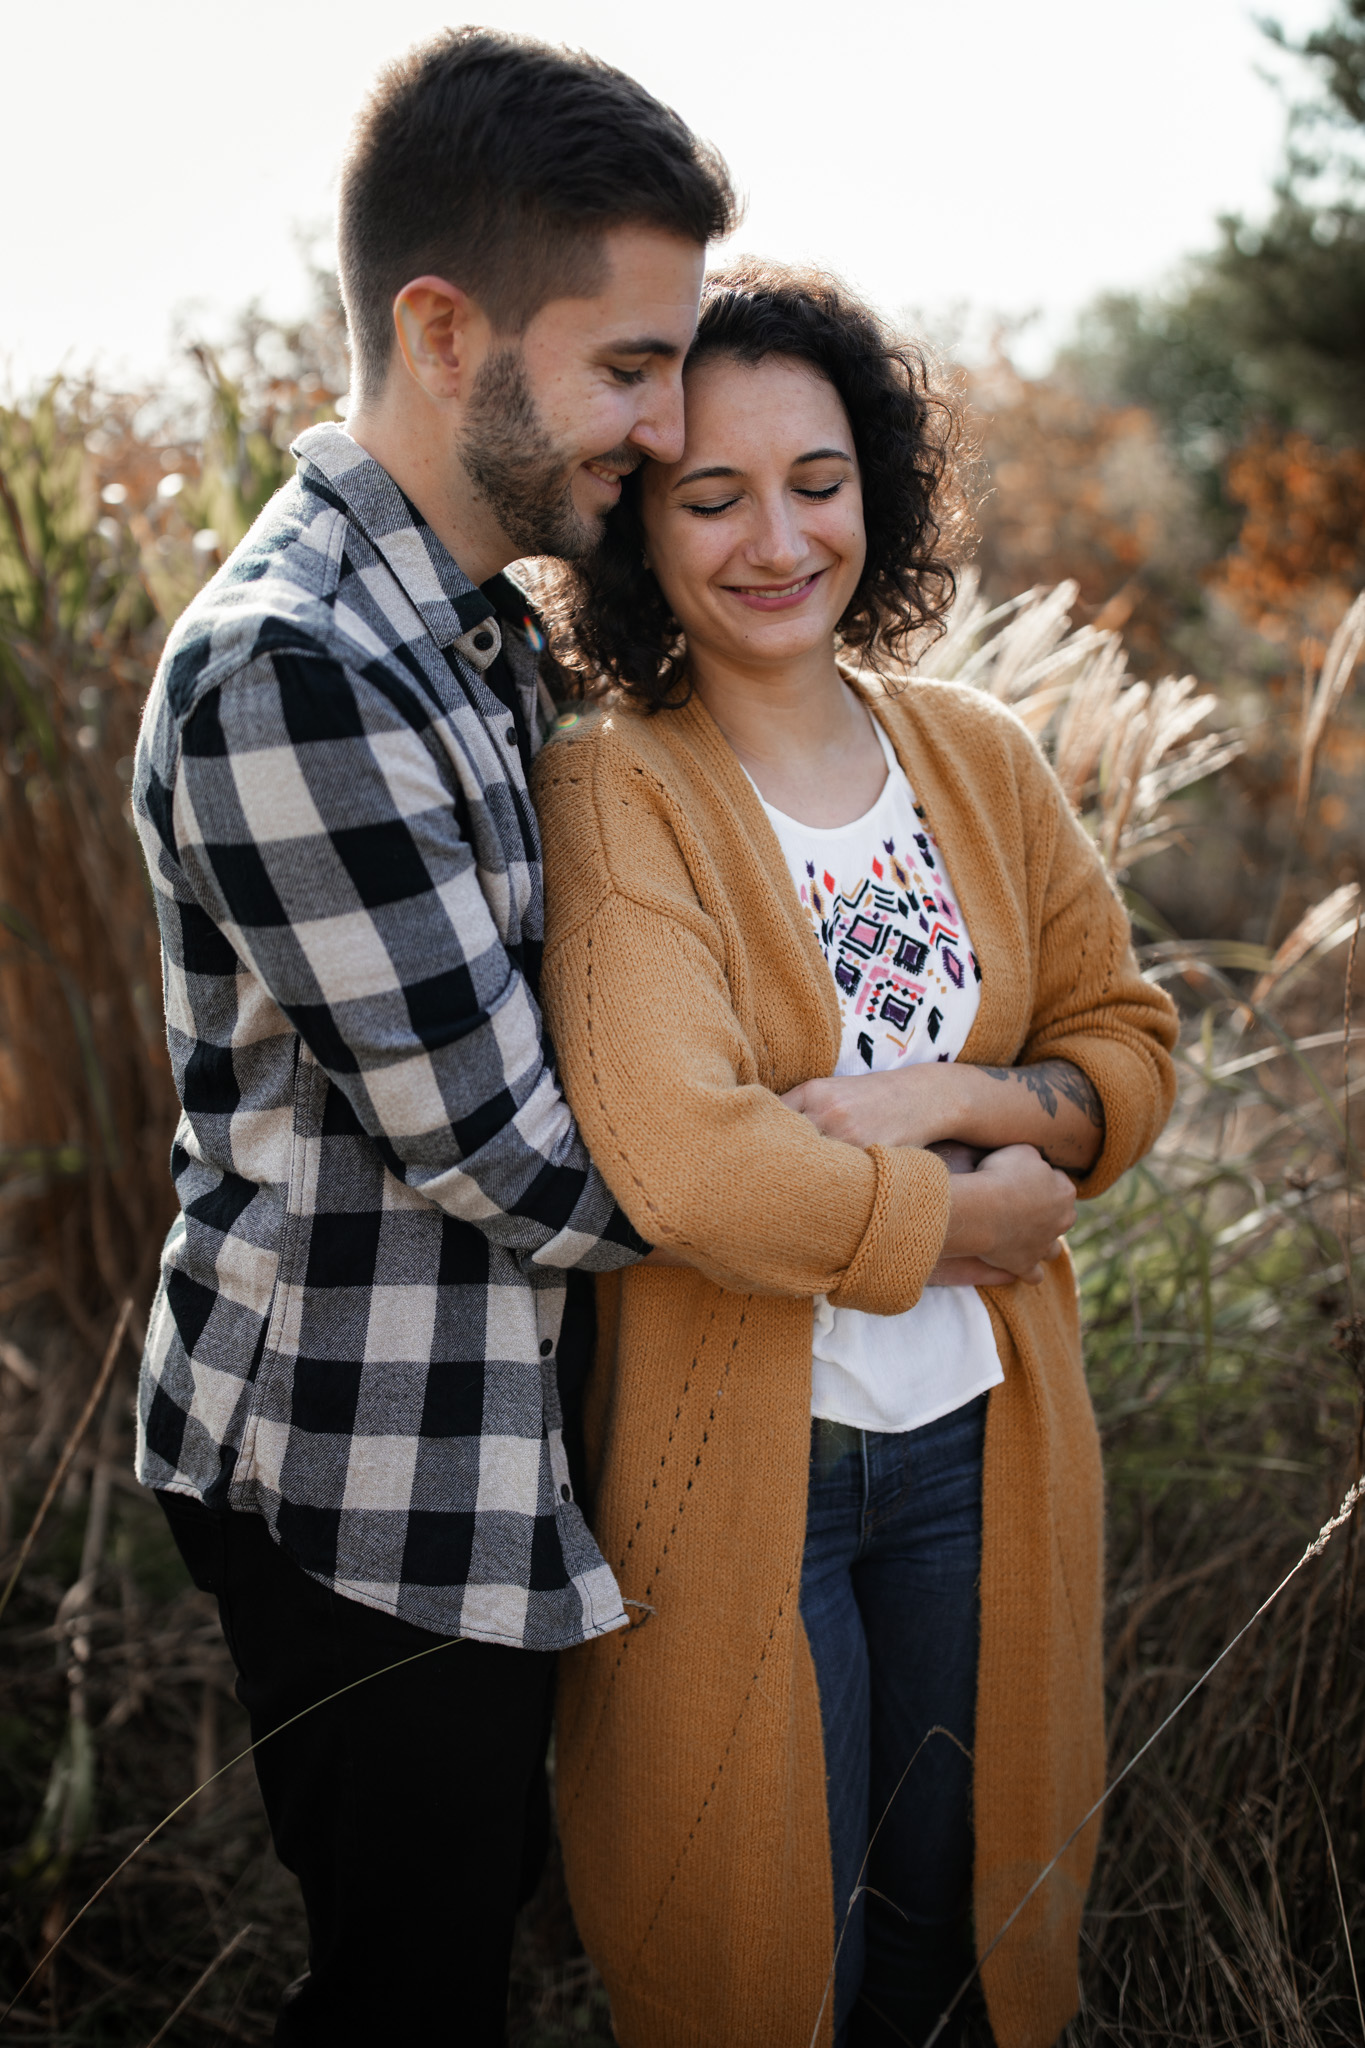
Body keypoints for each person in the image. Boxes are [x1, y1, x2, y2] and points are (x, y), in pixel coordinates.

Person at [130, 30, 734, 2044]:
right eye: (626, 364)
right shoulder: (288, 669)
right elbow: (509, 1155)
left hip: (485, 1421)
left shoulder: (478, 620)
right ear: (442, 325)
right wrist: (861, 1183)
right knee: (408, 1987)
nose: (664, 422)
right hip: (357, 1469)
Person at [533, 261, 1178, 2048]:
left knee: (950, 1945)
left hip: (983, 1448)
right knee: (763, 1970)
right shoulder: (618, 792)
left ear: (871, 490)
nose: (772, 539)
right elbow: (693, 1166)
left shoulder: (972, 756)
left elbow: (1123, 1041)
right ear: (638, 530)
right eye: (710, 495)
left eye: (813, 481)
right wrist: (979, 1217)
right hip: (759, 1470)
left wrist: (952, 1105)